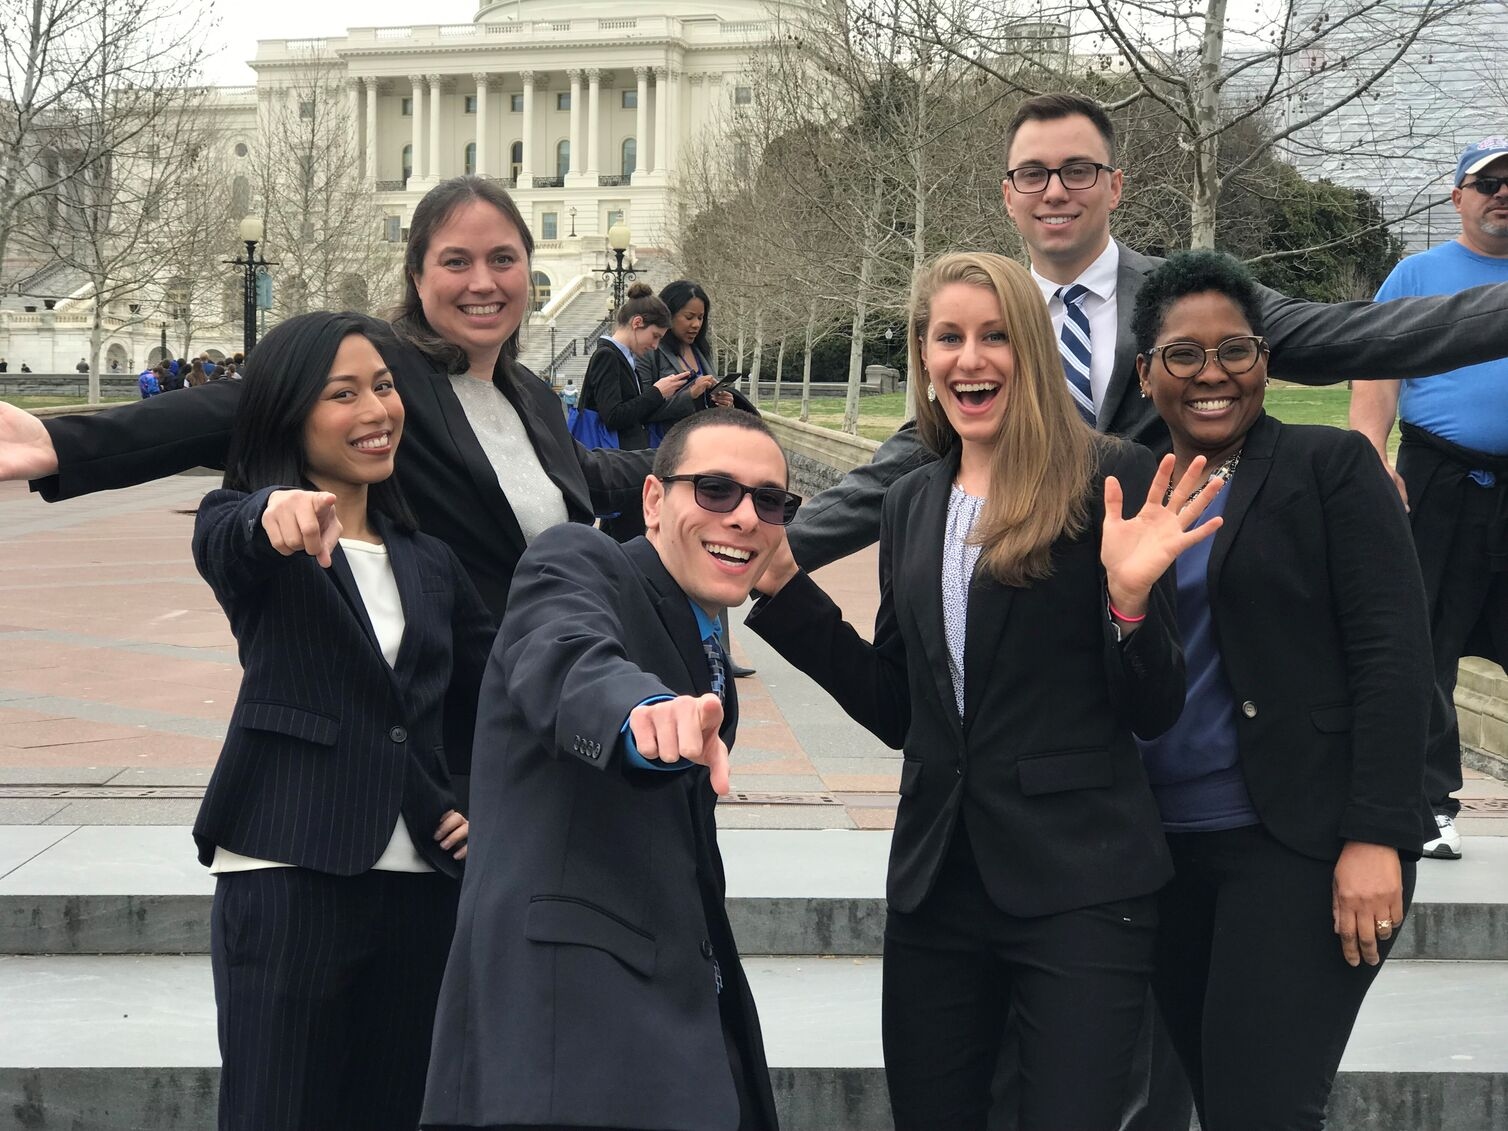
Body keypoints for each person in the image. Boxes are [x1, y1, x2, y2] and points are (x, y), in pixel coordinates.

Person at [747, 252, 1224, 1131]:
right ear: (925, 356)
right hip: (939, 891)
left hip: (1081, 888)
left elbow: (1155, 708)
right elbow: (900, 707)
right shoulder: (913, 502)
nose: (972, 358)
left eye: (997, 336)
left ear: (1032, 349)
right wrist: (785, 595)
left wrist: (1128, 603)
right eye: (949, 337)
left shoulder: (1104, 476)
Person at [785, 94, 1508, 574]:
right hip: (1031, 605)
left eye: (1077, 170)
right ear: (1008, 196)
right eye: (1032, 174)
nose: (1056, 190)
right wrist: (769, 552)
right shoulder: (981, 323)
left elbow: (1355, 336)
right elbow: (905, 463)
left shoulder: (1192, 297)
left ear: (1115, 186)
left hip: (1180, 592)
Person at [0, 175, 650, 619]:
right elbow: (236, 406)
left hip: (538, 687)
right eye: (456, 261)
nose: (483, 281)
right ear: (417, 276)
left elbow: (575, 471)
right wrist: (59, 444)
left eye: (503, 259)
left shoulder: (529, 392)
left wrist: (700, 462)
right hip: (439, 722)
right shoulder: (385, 370)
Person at [423, 409, 793, 1131]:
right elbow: (565, 652)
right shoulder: (580, 560)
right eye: (715, 490)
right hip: (568, 1043)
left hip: (671, 1023)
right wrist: (639, 713)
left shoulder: (705, 634)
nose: (746, 517)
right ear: (653, 501)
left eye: (769, 500)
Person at [1132, 250, 1431, 1129]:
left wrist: (1379, 834)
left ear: (1267, 360)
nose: (1213, 374)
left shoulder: (1330, 468)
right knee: (1218, 1096)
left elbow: (1394, 656)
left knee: (1262, 1108)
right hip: (1160, 855)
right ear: (1145, 372)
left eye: (1238, 349)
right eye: (1183, 354)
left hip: (1297, 843)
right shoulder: (1121, 482)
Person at [193, 311, 495, 1131]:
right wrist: (271, 513)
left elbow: (502, 687)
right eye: (344, 393)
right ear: (291, 413)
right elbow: (228, 537)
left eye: (386, 387)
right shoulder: (249, 528)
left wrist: (482, 802)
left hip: (423, 881)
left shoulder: (430, 559)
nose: (377, 410)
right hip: (289, 868)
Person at [1350, 135, 1508, 861]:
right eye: (1488, 183)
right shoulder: (1418, 275)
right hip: (1435, 481)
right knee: (1422, 648)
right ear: (1457, 198)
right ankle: (1429, 806)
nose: (1502, 194)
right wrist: (1371, 455)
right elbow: (1375, 369)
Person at [581, 281, 714, 540]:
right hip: (618, 462)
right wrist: (657, 392)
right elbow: (614, 416)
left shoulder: (619, 356)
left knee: (622, 534)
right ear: (637, 322)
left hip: (623, 461)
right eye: (655, 337)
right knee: (627, 535)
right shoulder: (608, 356)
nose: (655, 346)